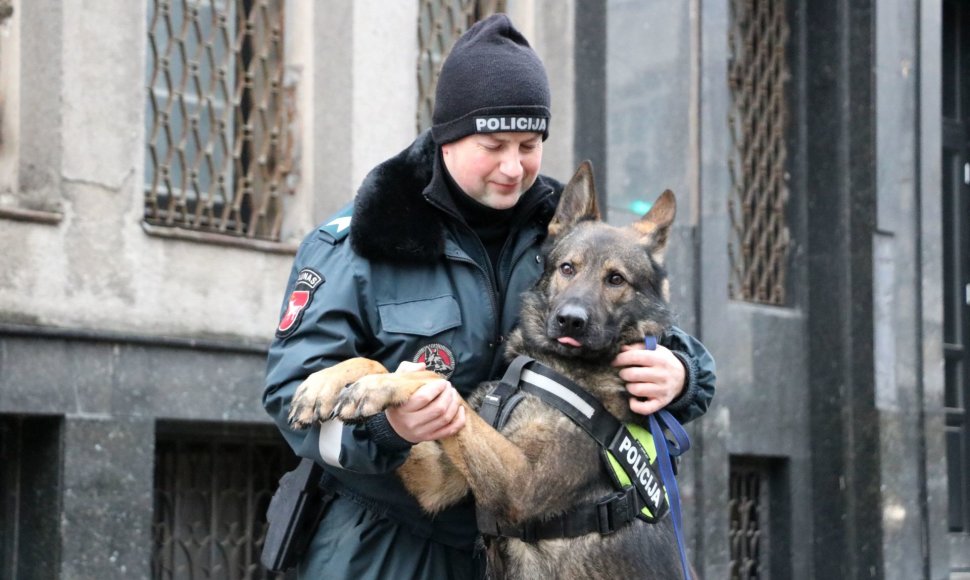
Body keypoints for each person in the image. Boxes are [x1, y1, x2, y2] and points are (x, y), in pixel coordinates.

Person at [263, 14, 715, 580]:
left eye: (529, 145)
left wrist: (681, 373)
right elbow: (291, 399)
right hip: (388, 551)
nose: (512, 166)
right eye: (493, 144)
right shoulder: (360, 239)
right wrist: (387, 429)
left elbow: (644, 324)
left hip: (527, 555)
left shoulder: (568, 234)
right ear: (447, 138)